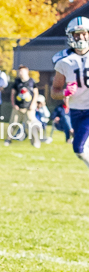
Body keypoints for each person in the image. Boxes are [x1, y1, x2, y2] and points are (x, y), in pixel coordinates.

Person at [51, 16, 89, 168]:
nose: (80, 37)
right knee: (81, 150)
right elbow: (54, 91)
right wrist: (65, 92)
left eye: (84, 33)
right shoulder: (64, 60)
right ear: (70, 36)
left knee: (79, 147)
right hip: (75, 110)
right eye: (76, 34)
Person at [5, 65, 40, 147]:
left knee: (31, 125)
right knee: (13, 124)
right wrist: (13, 104)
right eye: (19, 71)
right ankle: (8, 140)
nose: (21, 73)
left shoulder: (32, 81)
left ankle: (35, 142)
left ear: (27, 71)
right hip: (18, 108)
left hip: (29, 108)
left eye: (22, 71)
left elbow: (36, 93)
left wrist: (33, 104)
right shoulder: (17, 81)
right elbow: (12, 94)